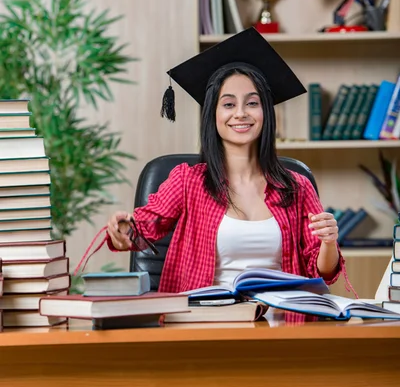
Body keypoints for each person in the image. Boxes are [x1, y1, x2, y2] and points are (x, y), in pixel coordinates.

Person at [103, 28, 348, 295]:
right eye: (229, 105)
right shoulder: (188, 182)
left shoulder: (297, 187)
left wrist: (328, 242)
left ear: (266, 111)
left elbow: (323, 271)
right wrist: (123, 229)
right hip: (206, 321)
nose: (241, 114)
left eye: (252, 103)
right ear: (213, 115)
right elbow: (142, 230)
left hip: (280, 321)